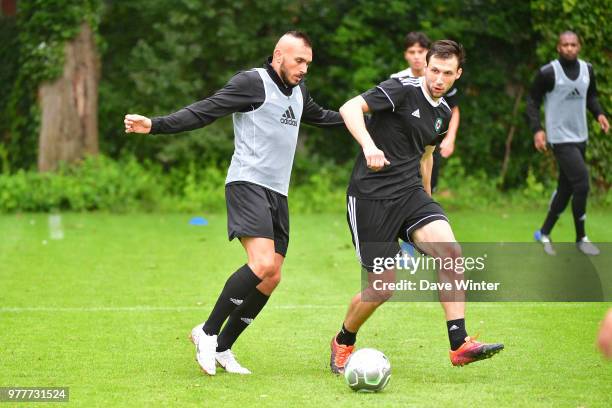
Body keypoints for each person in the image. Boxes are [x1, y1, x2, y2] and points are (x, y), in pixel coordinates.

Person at [124, 31, 344, 375]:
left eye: (308, 63)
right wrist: (155, 125)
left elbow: (324, 116)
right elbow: (205, 111)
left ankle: (224, 348)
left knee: (271, 277)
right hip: (247, 183)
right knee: (260, 263)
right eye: (298, 60)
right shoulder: (252, 83)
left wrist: (365, 117)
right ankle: (208, 333)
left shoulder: (300, 92)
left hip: (278, 193)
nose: (304, 69)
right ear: (278, 55)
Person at [329, 40, 503, 374]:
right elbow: (349, 108)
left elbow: (425, 155)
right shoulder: (400, 90)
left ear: (457, 75)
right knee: (382, 288)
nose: (438, 78)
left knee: (451, 252)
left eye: (447, 73)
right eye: (434, 70)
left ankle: (459, 343)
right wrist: (368, 146)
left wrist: (428, 198)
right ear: (425, 65)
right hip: (370, 196)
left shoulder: (444, 113)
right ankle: (343, 340)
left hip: (410, 194)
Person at [526, 31, 609, 256]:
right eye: (565, 45)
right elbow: (532, 101)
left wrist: (599, 114)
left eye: (573, 44)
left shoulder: (588, 70)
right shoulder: (548, 72)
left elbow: (591, 96)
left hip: (581, 136)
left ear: (579, 46)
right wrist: (537, 130)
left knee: (566, 188)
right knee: (582, 182)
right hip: (560, 138)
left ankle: (543, 232)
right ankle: (581, 237)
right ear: (558, 47)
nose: (569, 48)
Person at [391, 32, 461, 195]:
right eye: (411, 52)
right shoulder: (397, 80)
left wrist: (450, 138)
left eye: (420, 51)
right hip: (404, 148)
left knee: (427, 188)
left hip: (429, 142)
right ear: (405, 55)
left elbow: (454, 110)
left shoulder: (441, 79)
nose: (416, 57)